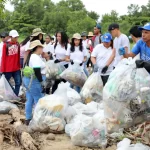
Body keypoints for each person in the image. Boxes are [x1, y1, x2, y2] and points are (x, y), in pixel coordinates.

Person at [23, 40, 46, 125]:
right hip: (35, 81)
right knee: (38, 100)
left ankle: (28, 118)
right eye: (41, 47)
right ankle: (37, 120)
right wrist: (41, 82)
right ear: (38, 48)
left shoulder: (31, 56)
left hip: (28, 80)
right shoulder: (35, 57)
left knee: (30, 99)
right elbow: (37, 70)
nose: (42, 49)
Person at [1, 30, 21, 96]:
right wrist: (2, 70)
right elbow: (3, 58)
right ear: (10, 37)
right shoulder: (6, 45)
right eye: (15, 37)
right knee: (6, 83)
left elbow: (18, 56)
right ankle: (13, 94)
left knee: (18, 83)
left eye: (17, 37)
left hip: (16, 68)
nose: (16, 39)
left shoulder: (17, 44)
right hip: (8, 69)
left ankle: (15, 95)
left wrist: (19, 66)